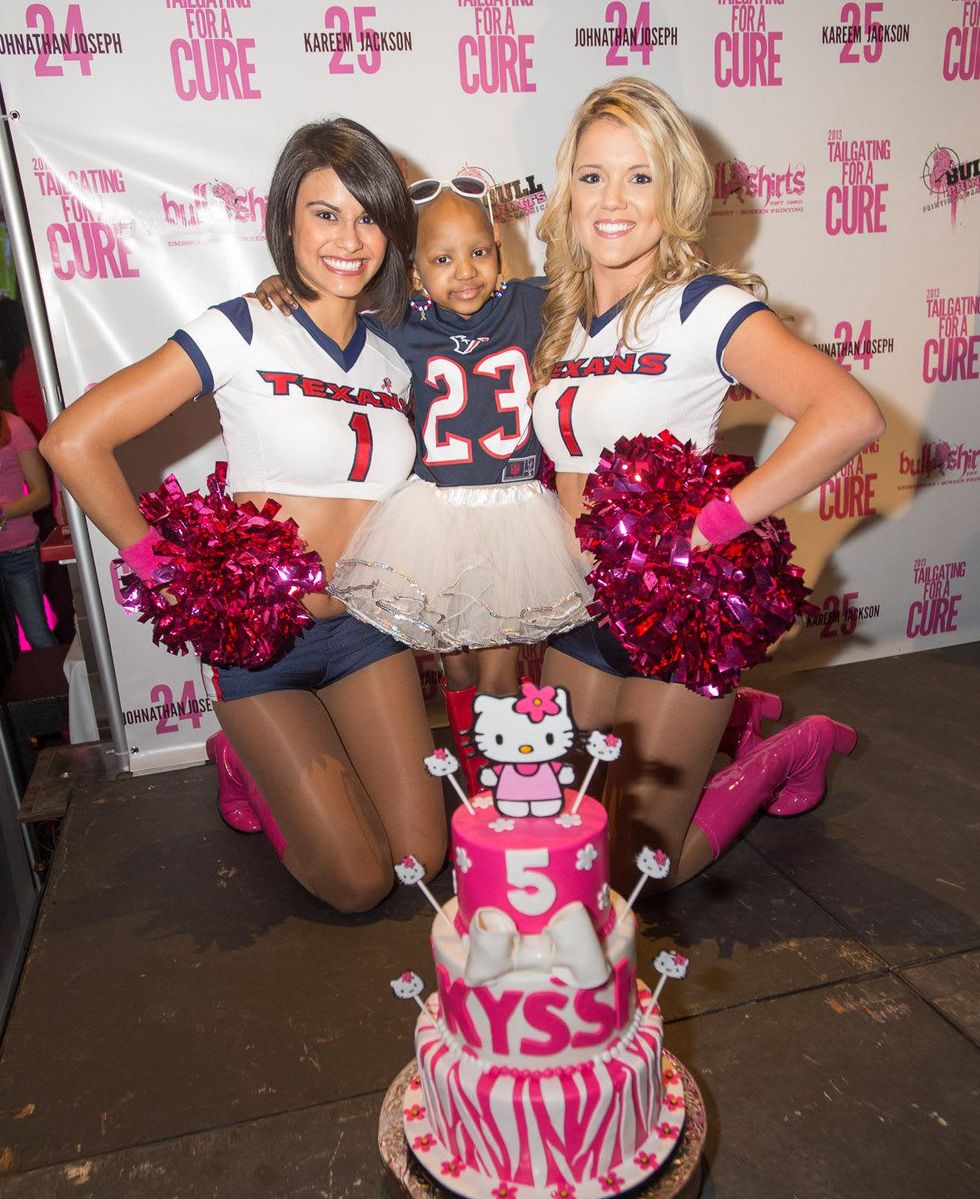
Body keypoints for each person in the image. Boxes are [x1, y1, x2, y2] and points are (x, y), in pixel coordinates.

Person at [40, 118, 447, 913]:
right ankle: (246, 765)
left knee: (417, 862)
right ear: (286, 219)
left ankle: (290, 774)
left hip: (367, 629)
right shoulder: (239, 329)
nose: (349, 238)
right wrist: (168, 578)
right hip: (260, 642)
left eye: (368, 215)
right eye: (325, 213)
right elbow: (73, 440)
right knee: (359, 886)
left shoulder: (395, 361)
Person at [530, 78, 884, 893]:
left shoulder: (703, 307)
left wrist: (710, 528)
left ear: (675, 191)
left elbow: (848, 415)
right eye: (592, 176)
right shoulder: (561, 316)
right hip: (577, 605)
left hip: (675, 610)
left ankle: (784, 752)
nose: (612, 200)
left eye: (639, 176)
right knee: (562, 843)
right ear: (567, 192)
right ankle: (740, 724)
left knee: (633, 879)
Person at [255, 177, 592, 793]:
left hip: (514, 513)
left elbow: (607, 275)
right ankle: (475, 774)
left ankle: (503, 788)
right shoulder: (395, 322)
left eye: (480, 252)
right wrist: (286, 289)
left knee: (499, 670)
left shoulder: (533, 303)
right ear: (412, 271)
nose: (464, 271)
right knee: (456, 668)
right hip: (435, 516)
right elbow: (324, 310)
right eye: (442, 259)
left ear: (500, 250)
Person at [0, 408, 57, 651]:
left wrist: (3, 513)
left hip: (17, 549)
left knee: (37, 636)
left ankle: (60, 687)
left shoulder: (14, 427)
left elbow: (42, 495)